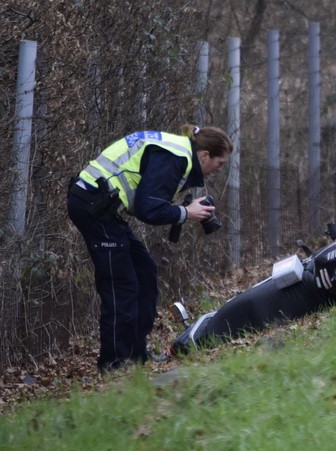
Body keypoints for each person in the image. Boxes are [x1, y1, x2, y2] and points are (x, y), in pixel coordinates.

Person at [66, 125, 233, 371]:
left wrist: (183, 210)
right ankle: (113, 363)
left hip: (103, 206)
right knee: (121, 285)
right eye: (220, 163)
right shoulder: (174, 157)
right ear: (205, 155)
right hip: (92, 206)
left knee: (144, 272)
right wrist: (186, 212)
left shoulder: (178, 154)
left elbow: (148, 199)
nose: (219, 169)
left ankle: (136, 354)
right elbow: (148, 210)